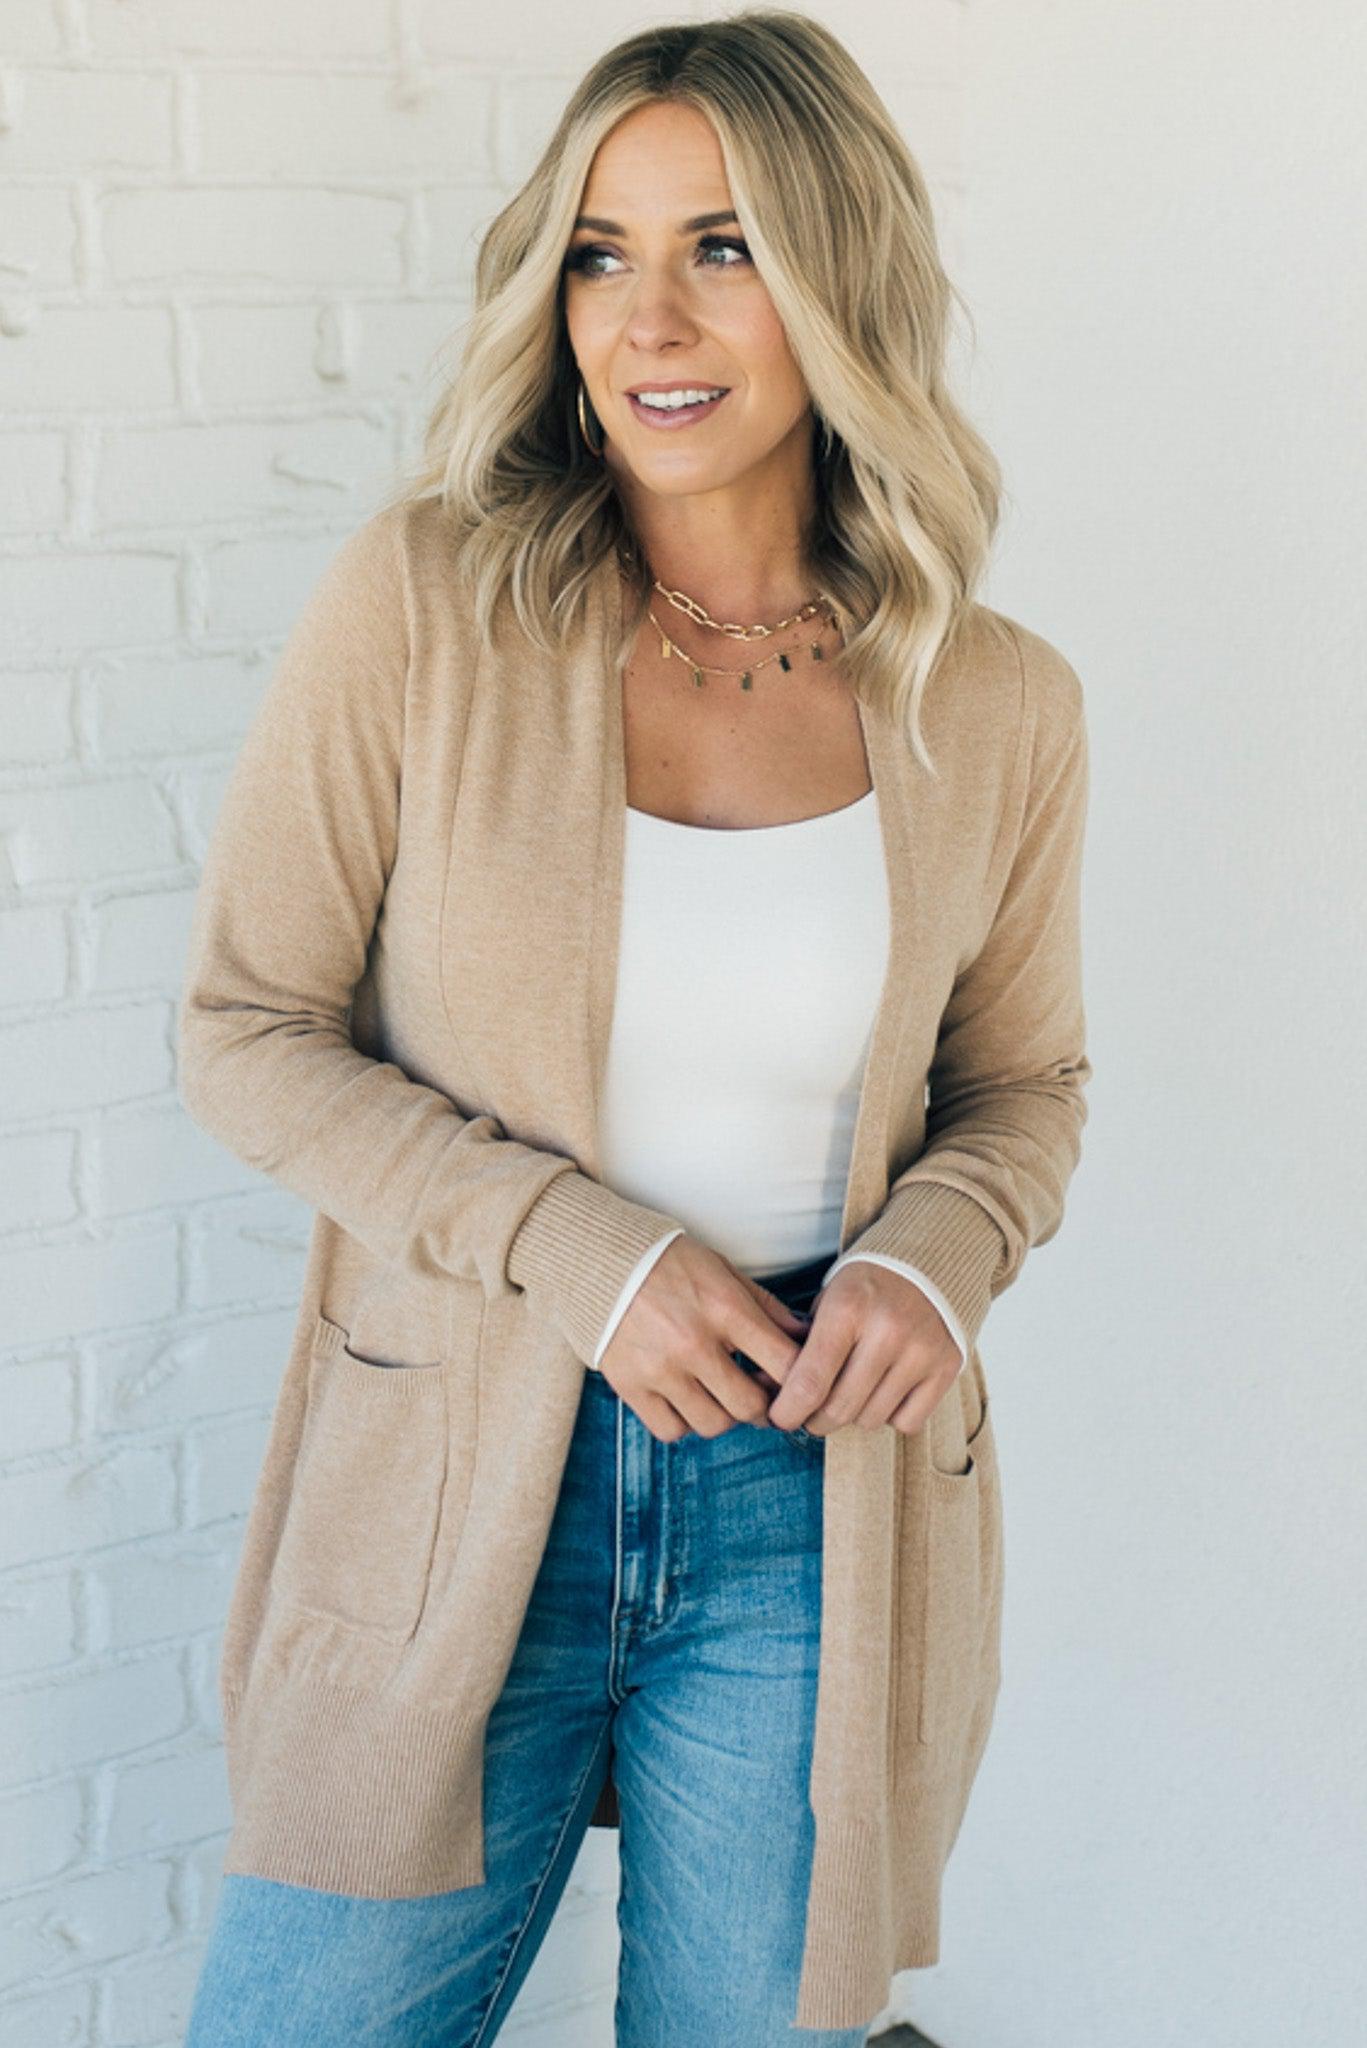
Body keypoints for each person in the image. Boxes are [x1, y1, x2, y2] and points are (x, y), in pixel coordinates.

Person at [180, 11, 1091, 2045]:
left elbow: (1026, 1090)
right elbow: (247, 1024)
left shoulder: (998, 699)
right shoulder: (427, 607)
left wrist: (937, 1262)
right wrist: (586, 1255)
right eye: (600, 251)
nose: (645, 318)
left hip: (811, 1495)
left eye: (723, 246)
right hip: (449, 1464)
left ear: (841, 278)